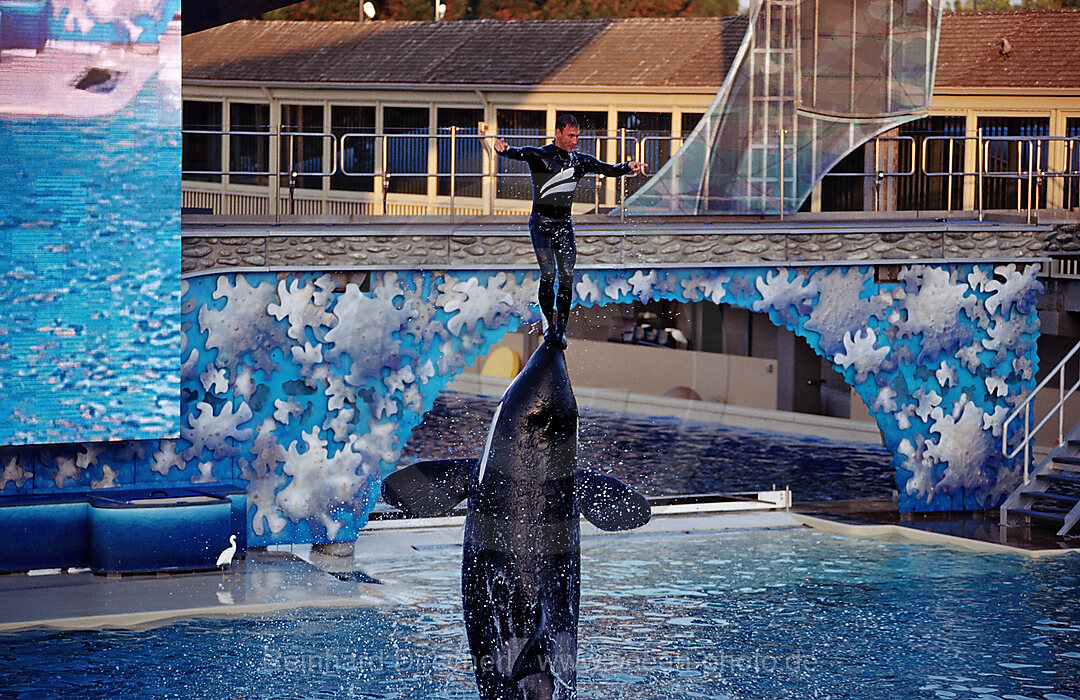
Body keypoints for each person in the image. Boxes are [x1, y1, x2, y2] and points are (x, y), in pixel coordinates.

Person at [494, 114, 646, 348]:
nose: (575, 140)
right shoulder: (541, 156)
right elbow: (518, 152)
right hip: (541, 224)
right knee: (548, 273)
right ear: (558, 133)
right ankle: (549, 326)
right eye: (570, 135)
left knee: (566, 277)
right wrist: (503, 150)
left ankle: (561, 330)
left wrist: (627, 167)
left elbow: (607, 169)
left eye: (577, 136)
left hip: (564, 225)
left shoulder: (579, 161)